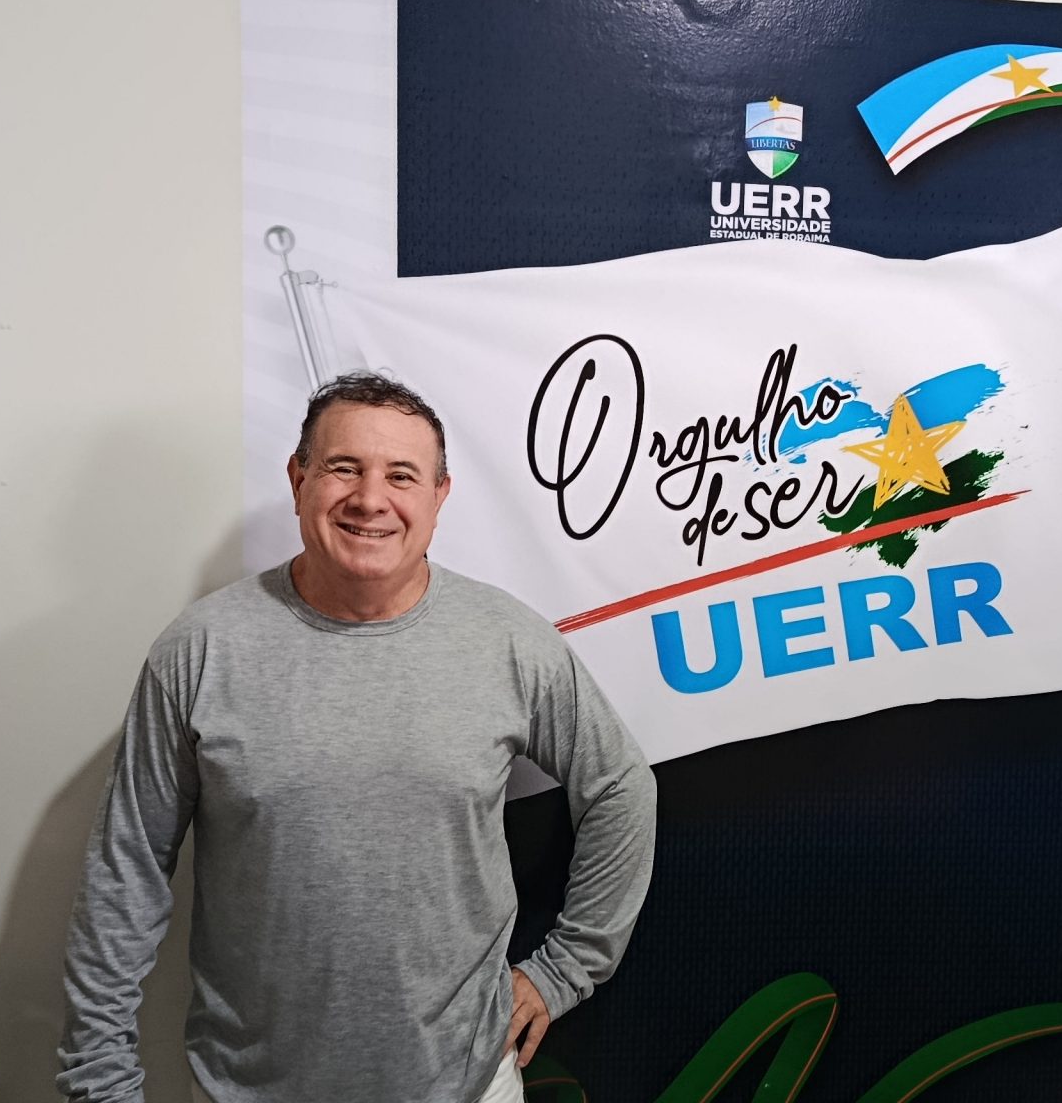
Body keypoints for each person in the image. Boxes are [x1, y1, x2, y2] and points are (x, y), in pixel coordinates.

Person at [56, 373, 659, 1103]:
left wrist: (564, 970)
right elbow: (126, 866)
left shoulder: (508, 642)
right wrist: (98, 1077)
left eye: (401, 475)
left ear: (438, 496)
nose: (371, 499)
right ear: (298, 480)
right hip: (246, 1089)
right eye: (344, 468)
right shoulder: (202, 650)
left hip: (467, 1083)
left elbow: (621, 786)